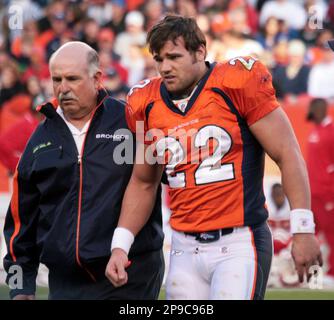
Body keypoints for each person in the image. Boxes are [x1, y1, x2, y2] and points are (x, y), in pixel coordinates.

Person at [105, 14, 322, 300]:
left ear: (200, 51)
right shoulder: (145, 103)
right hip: (182, 246)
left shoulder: (236, 81)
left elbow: (287, 153)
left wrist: (303, 229)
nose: (165, 67)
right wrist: (120, 245)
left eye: (174, 56)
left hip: (239, 243)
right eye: (158, 59)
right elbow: (144, 182)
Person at [3, 41, 164, 300]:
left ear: (97, 78)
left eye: (72, 78)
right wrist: (20, 287)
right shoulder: (39, 140)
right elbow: (20, 223)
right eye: (57, 79)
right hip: (66, 282)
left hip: (130, 274)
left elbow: (154, 182)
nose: (63, 88)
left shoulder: (132, 121)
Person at [306, 97, 334, 286]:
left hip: (327, 193)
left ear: (321, 109)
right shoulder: (315, 131)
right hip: (312, 193)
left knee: (331, 234)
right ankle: (315, 276)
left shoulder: (331, 131)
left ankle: (332, 273)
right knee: (310, 236)